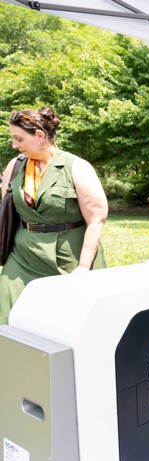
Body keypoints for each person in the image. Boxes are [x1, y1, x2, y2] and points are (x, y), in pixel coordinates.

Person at [0, 107, 107, 324]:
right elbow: (8, 209)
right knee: (7, 316)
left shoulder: (76, 167)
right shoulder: (16, 166)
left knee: (71, 324)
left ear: (40, 136)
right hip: (23, 255)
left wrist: (84, 267)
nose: (14, 145)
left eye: (18, 138)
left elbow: (96, 219)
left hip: (69, 258)